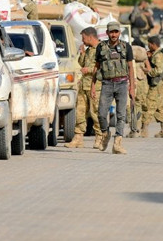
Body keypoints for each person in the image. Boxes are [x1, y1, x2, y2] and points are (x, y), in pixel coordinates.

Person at [90, 21, 134, 154]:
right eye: (111, 32)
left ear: (119, 33)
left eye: (116, 32)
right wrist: (92, 86)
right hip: (107, 84)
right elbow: (96, 67)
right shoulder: (101, 47)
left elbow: (131, 68)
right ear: (107, 33)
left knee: (121, 115)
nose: (114, 34)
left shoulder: (126, 47)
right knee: (101, 114)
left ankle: (118, 143)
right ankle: (105, 134)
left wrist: (132, 87)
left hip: (122, 84)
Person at [64, 26, 101, 149]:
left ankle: (99, 137)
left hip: (95, 86)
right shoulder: (89, 50)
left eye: (83, 37)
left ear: (90, 37)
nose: (82, 40)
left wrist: (89, 70)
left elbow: (103, 67)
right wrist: (82, 53)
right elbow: (81, 64)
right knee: (80, 112)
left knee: (95, 113)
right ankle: (78, 138)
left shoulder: (101, 49)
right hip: (83, 85)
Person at [142, 35, 163, 138]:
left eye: (149, 44)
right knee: (160, 106)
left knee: (149, 104)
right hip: (160, 83)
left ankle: (144, 130)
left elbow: (158, 70)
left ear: (153, 44)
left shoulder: (158, 55)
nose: (148, 46)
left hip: (157, 83)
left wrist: (148, 72)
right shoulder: (158, 54)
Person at [129, 37, 150, 138]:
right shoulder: (144, 57)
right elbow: (149, 69)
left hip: (133, 83)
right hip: (143, 84)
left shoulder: (130, 58)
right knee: (143, 106)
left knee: (133, 107)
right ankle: (144, 130)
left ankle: (134, 130)